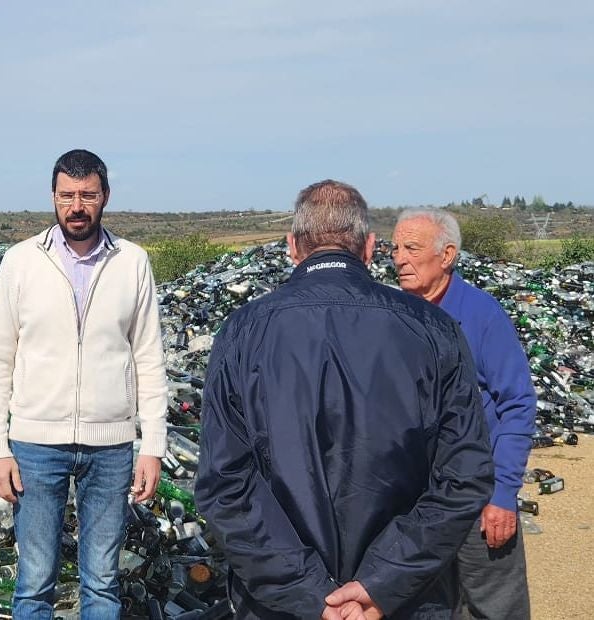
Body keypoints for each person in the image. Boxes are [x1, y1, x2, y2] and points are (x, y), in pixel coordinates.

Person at [196, 180, 493, 620]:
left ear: (292, 246)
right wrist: (378, 584)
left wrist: (311, 594)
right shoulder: (434, 329)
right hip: (402, 601)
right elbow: (463, 474)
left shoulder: (243, 332)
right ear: (370, 247)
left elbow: (226, 484)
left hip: (285, 606)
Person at [0, 148, 168, 620]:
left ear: (105, 197)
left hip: (111, 447)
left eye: (87, 195)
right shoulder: (21, 262)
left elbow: (148, 357)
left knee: (102, 584)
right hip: (35, 445)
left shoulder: (132, 262)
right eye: (67, 196)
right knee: (34, 582)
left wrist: (153, 446)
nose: (76, 206)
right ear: (53, 197)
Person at [392, 208, 536, 620]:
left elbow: (517, 404)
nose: (399, 258)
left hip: (478, 497)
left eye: (412, 248)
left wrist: (504, 493)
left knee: (494, 608)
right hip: (416, 505)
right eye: (395, 247)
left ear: (448, 254)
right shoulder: (390, 316)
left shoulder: (482, 315)